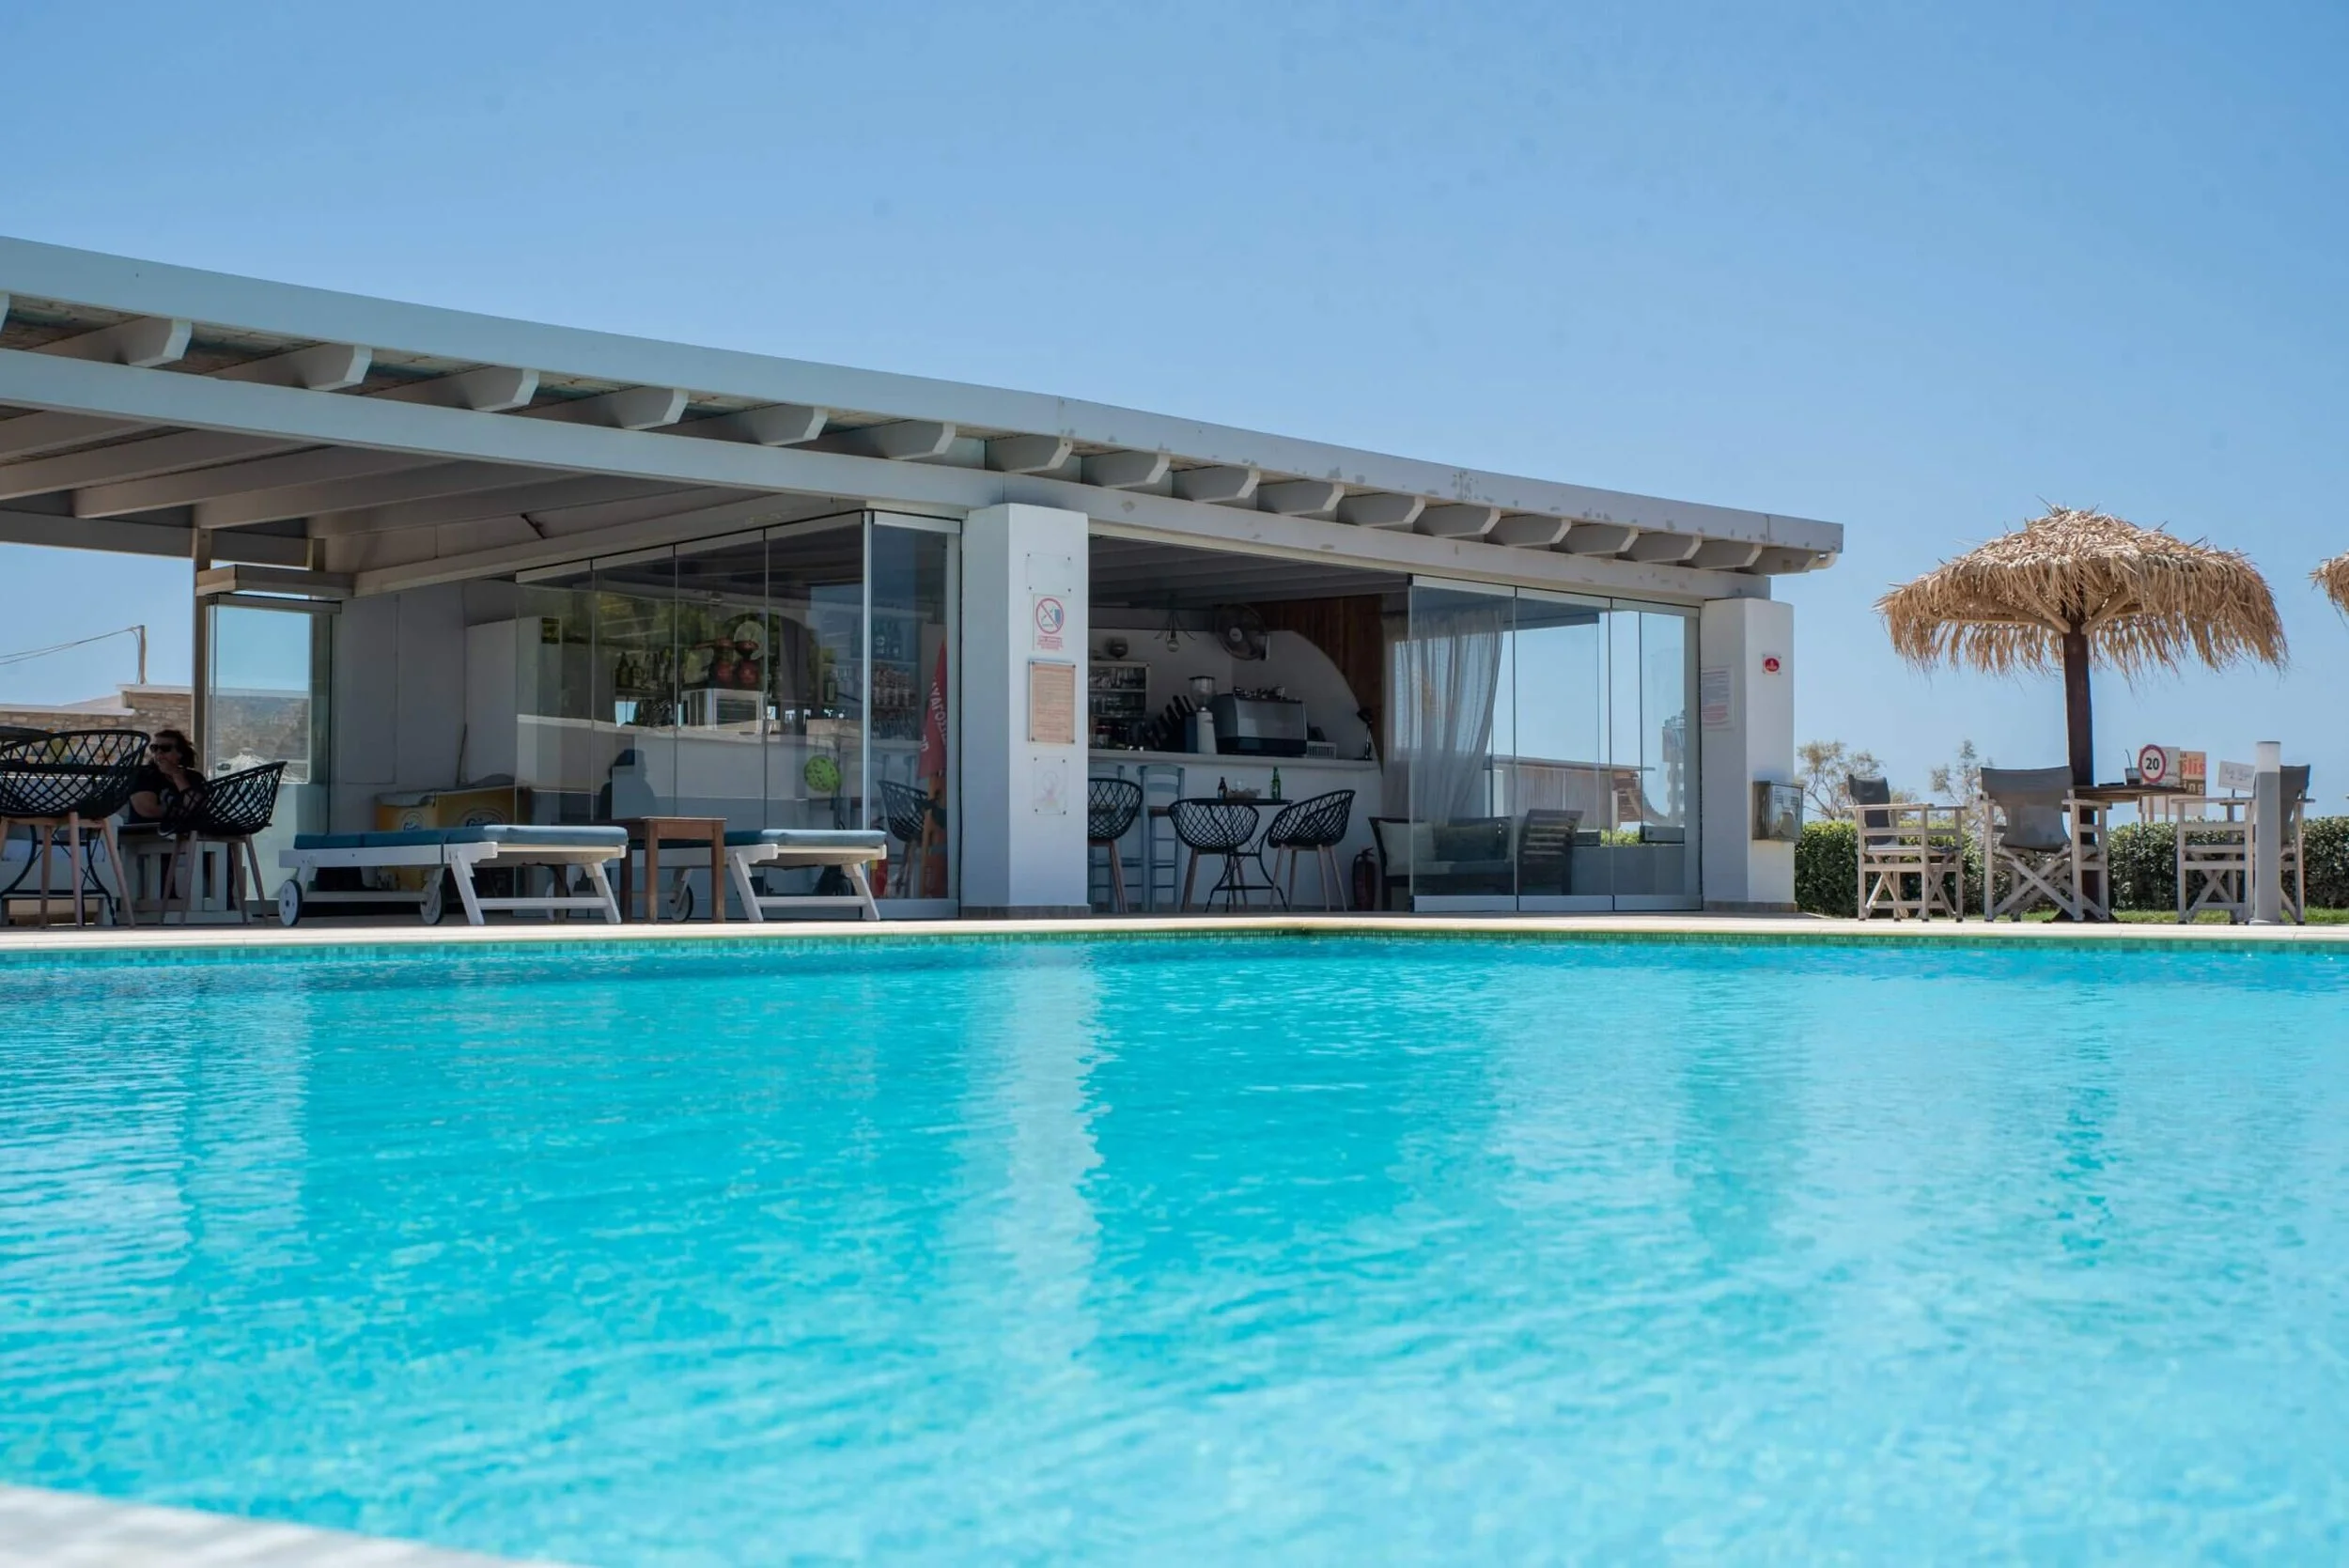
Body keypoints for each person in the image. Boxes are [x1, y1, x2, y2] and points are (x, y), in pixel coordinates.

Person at [126, 728, 208, 826]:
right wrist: (185, 812)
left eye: (165, 748)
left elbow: (196, 806)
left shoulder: (195, 777)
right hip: (148, 831)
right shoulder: (143, 774)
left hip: (187, 831)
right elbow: (148, 810)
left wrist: (176, 775)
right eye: (154, 748)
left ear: (180, 753)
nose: (159, 752)